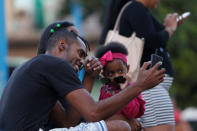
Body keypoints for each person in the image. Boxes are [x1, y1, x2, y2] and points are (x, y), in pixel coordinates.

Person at [0, 23, 165, 131]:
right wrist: (139, 86)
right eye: (80, 53)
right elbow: (93, 113)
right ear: (62, 45)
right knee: (120, 126)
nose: (81, 60)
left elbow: (68, 122)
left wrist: (89, 77)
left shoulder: (36, 68)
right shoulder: (54, 63)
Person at [99, 0, 186, 130]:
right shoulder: (135, 7)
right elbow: (153, 41)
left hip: (148, 88)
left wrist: (166, 27)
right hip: (149, 88)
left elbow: (150, 38)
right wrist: (169, 29)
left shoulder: (134, 9)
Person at [95, 42, 145, 131]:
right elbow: (102, 112)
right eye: (111, 73)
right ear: (104, 74)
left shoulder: (133, 88)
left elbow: (132, 113)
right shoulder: (105, 89)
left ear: (128, 68)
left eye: (120, 71)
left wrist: (126, 90)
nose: (116, 75)